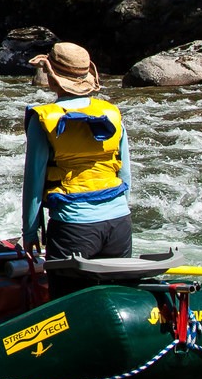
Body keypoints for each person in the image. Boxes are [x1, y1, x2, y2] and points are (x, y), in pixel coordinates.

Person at [22, 41, 133, 260]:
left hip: (73, 226)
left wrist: (29, 231)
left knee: (68, 294)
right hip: (119, 222)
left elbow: (34, 182)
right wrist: (115, 213)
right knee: (114, 292)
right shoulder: (111, 114)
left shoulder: (43, 120)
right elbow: (125, 174)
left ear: (52, 78)